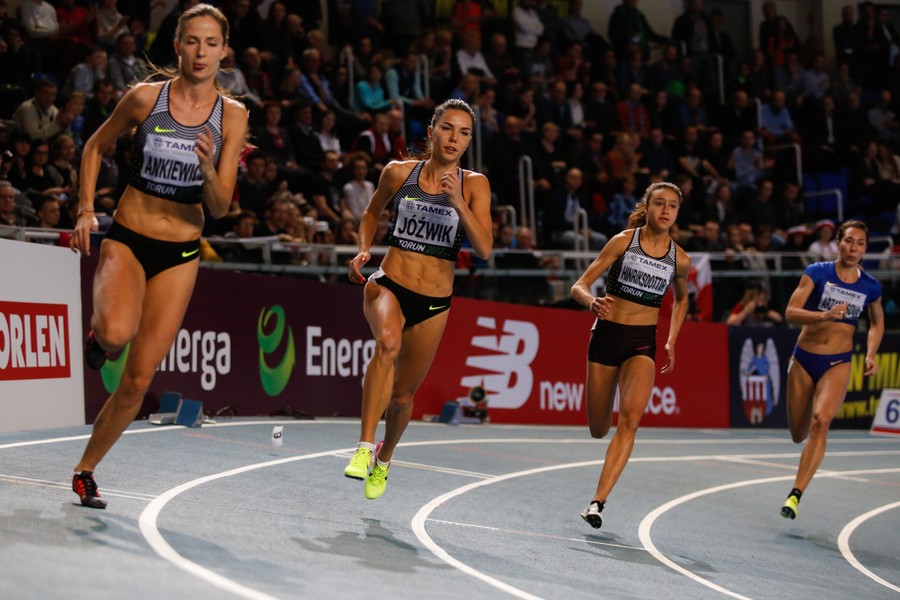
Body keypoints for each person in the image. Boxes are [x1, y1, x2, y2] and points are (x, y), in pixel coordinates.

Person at [68, 3, 249, 509]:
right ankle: (100, 335)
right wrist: (86, 210)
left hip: (182, 252)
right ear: (177, 45)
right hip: (129, 236)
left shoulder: (232, 116)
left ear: (223, 51)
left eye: (211, 44)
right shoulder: (145, 98)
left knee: (139, 380)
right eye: (192, 41)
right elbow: (94, 147)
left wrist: (211, 169)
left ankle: (85, 470)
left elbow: (218, 206)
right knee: (116, 334)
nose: (201, 52)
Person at [344, 99, 492, 500]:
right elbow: (371, 213)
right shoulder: (399, 172)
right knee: (387, 343)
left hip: (434, 302)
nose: (454, 138)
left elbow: (484, 248)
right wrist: (363, 248)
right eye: (447, 128)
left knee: (404, 396)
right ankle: (361, 447)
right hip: (390, 283)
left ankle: (384, 457)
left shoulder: (474, 184)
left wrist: (459, 202)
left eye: (463, 132)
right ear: (431, 132)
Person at [570, 181, 691, 529]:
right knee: (598, 427)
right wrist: (592, 301)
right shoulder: (624, 241)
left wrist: (670, 341)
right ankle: (599, 436)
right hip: (606, 336)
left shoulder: (679, 259)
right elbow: (579, 284)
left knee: (632, 419)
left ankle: (597, 502)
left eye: (672, 206)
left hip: (642, 342)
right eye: (659, 204)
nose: (665, 211)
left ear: (677, 213)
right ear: (647, 207)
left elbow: (682, 299)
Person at [780, 220, 884, 520]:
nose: (854, 248)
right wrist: (823, 315)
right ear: (839, 242)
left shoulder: (870, 286)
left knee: (821, 421)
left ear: (865, 248)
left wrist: (871, 353)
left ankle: (795, 494)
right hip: (804, 358)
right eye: (849, 241)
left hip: (838, 361)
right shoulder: (817, 273)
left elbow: (877, 322)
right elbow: (790, 312)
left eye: (860, 243)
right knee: (798, 433)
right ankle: (801, 451)